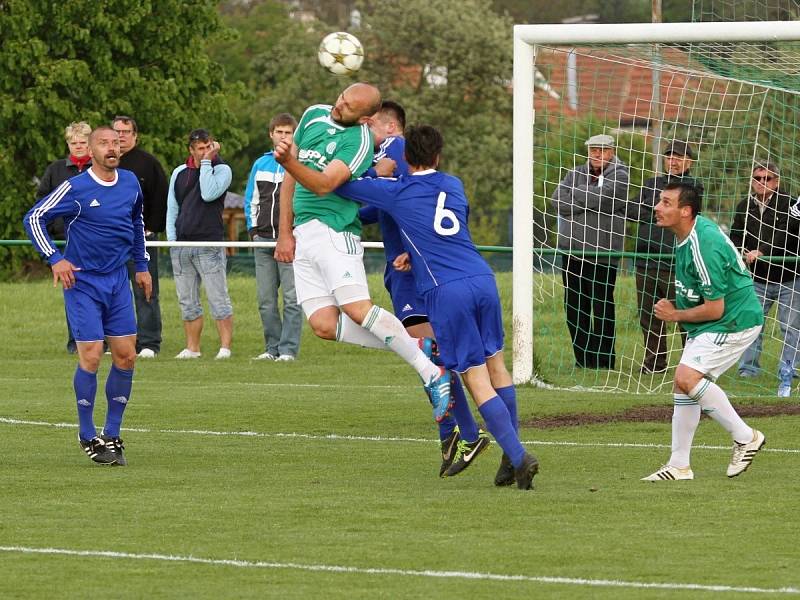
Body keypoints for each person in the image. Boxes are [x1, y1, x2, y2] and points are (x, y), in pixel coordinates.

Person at [337, 125, 539, 490]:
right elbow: (445, 229)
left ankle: (520, 456)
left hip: (447, 291)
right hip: (482, 278)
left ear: (405, 160)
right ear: (438, 156)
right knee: (497, 366)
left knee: (474, 376)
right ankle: (511, 458)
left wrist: (371, 171)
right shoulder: (454, 184)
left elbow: (339, 185)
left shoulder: (397, 191)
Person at [273, 82, 451, 412]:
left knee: (358, 310)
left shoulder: (360, 141)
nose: (339, 106)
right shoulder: (314, 113)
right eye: (340, 98)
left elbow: (325, 184)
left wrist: (288, 162)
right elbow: (290, 180)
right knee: (324, 325)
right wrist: (285, 232)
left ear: (366, 118)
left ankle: (431, 373)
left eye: (348, 107)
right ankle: (418, 345)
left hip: (334, 231)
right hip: (303, 233)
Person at [360, 101, 489, 477]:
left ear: (382, 125)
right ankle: (458, 433)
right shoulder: (397, 162)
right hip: (427, 271)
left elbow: (398, 195)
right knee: (435, 355)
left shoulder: (393, 147)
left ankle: (462, 433)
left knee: (433, 354)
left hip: (416, 274)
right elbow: (377, 208)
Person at [24, 125, 151, 466]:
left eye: (115, 142)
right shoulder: (76, 187)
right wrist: (55, 258)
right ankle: (86, 433)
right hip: (82, 283)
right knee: (92, 357)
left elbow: (136, 224)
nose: (112, 147)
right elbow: (34, 217)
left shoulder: (130, 183)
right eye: (103, 143)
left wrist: (141, 265)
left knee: (126, 356)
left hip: (117, 281)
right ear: (90, 151)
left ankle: (112, 433)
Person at [642, 181, 766, 482]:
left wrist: (675, 314)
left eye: (666, 203)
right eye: (660, 201)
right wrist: (680, 305)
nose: (657, 207)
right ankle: (679, 465)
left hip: (734, 321)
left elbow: (715, 308)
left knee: (688, 378)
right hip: (714, 322)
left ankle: (745, 436)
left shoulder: (703, 244)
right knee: (682, 383)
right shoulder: (687, 235)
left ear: (686, 211)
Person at [551, 133, 629, 370]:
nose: (597, 154)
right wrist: (590, 200)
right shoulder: (574, 173)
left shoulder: (622, 175)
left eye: (603, 150)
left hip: (603, 253)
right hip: (572, 252)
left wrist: (577, 194)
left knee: (601, 306)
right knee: (575, 307)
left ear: (612, 151)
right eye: (593, 149)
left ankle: (604, 361)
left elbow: (607, 199)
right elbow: (557, 200)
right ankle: (583, 359)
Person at [628, 141, 701, 374]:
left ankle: (691, 363)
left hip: (676, 261)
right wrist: (662, 210)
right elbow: (631, 210)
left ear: (689, 161)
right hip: (646, 259)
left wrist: (657, 211)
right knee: (649, 316)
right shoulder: (652, 183)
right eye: (669, 156)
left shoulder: (694, 186)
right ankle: (654, 364)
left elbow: (685, 215)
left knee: (683, 316)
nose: (673, 160)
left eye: (679, 157)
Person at [730, 160, 800, 397]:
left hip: (788, 277)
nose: (762, 182)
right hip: (757, 278)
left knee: (790, 327)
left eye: (767, 178)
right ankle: (748, 369)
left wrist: (763, 252)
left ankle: (790, 368)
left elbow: (788, 236)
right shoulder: (744, 206)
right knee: (752, 324)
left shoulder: (789, 205)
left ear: (777, 181)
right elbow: (736, 235)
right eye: (757, 178)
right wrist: (739, 252)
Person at [166, 129, 234, 360]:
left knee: (218, 297)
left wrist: (206, 164)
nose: (205, 152)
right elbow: (172, 208)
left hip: (209, 243)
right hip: (182, 245)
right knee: (187, 300)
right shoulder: (179, 172)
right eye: (200, 149)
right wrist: (172, 242)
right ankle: (192, 348)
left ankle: (225, 348)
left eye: (208, 147)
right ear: (191, 150)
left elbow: (208, 193)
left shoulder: (222, 170)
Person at [243, 113, 303, 362]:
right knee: (266, 301)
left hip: (291, 243)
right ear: (271, 134)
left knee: (291, 299)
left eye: (288, 132)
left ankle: (288, 350)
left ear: (294, 136)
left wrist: (296, 234)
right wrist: (253, 231)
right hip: (263, 241)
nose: (283, 136)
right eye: (279, 132)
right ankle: (272, 349)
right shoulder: (261, 164)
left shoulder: (301, 163)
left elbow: (303, 202)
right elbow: (251, 200)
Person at [112, 115, 169, 359]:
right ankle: (116, 340)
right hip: (110, 241)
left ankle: (149, 342)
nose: (121, 136)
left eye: (126, 131)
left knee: (144, 289)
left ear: (135, 135)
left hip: (139, 240)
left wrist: (151, 228)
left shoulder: (149, 164)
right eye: (117, 132)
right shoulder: (104, 163)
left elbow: (160, 199)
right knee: (111, 291)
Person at [36, 121, 93, 354]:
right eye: (73, 142)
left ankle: (104, 341)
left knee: (100, 292)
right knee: (73, 293)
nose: (78, 146)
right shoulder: (55, 169)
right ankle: (76, 341)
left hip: (95, 241)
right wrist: (51, 233)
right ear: (67, 144)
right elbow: (41, 203)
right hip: (66, 243)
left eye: (82, 142)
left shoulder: (100, 169)